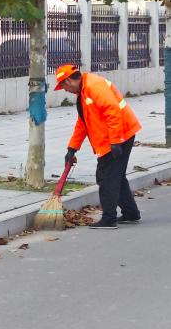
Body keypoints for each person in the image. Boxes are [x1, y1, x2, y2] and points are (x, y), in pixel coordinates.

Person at [55, 64, 141, 229]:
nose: (64, 90)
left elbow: (113, 111)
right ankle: (131, 213)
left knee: (106, 176)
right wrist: (72, 148)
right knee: (116, 175)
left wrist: (116, 141)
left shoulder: (94, 86)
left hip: (120, 135)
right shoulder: (84, 92)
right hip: (117, 135)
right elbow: (83, 123)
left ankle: (109, 219)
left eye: (63, 86)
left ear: (68, 81)